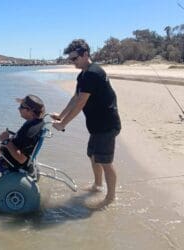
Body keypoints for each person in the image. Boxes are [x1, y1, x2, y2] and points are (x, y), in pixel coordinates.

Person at [51, 39, 121, 208]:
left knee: (105, 161)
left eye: (74, 59)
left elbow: (81, 102)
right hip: (96, 125)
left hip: (106, 125)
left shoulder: (92, 73)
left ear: (85, 55)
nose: (72, 62)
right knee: (93, 156)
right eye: (70, 59)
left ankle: (110, 198)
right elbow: (75, 97)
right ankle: (98, 185)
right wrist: (61, 116)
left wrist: (63, 124)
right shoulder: (83, 74)